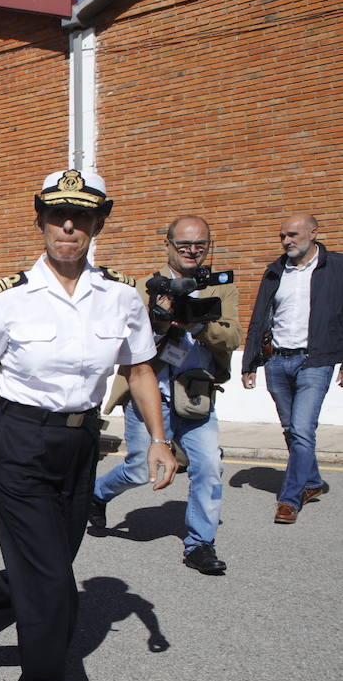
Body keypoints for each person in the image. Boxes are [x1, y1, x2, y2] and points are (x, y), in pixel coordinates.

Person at [0, 169, 177, 681]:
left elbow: (138, 370)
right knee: (51, 580)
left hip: (80, 441)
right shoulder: (9, 298)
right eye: (58, 216)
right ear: (40, 222)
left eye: (81, 217)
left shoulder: (120, 298)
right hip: (18, 441)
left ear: (96, 225)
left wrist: (159, 439)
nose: (69, 226)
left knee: (42, 563)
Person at [91, 215, 241, 574]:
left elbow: (233, 336)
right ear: (168, 245)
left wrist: (200, 324)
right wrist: (159, 324)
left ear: (209, 247)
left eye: (200, 245)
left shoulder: (220, 287)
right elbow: (124, 345)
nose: (192, 251)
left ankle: (200, 545)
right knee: (140, 470)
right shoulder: (145, 286)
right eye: (184, 244)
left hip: (196, 395)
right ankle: (96, 495)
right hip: (150, 396)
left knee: (209, 466)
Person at [242, 214, 343, 525]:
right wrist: (250, 362)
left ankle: (290, 498)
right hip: (277, 361)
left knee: (302, 430)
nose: (287, 241)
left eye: (293, 235)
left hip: (316, 360)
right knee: (291, 430)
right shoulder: (275, 271)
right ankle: (312, 482)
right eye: (282, 235)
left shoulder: (337, 267)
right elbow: (259, 317)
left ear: (314, 233)